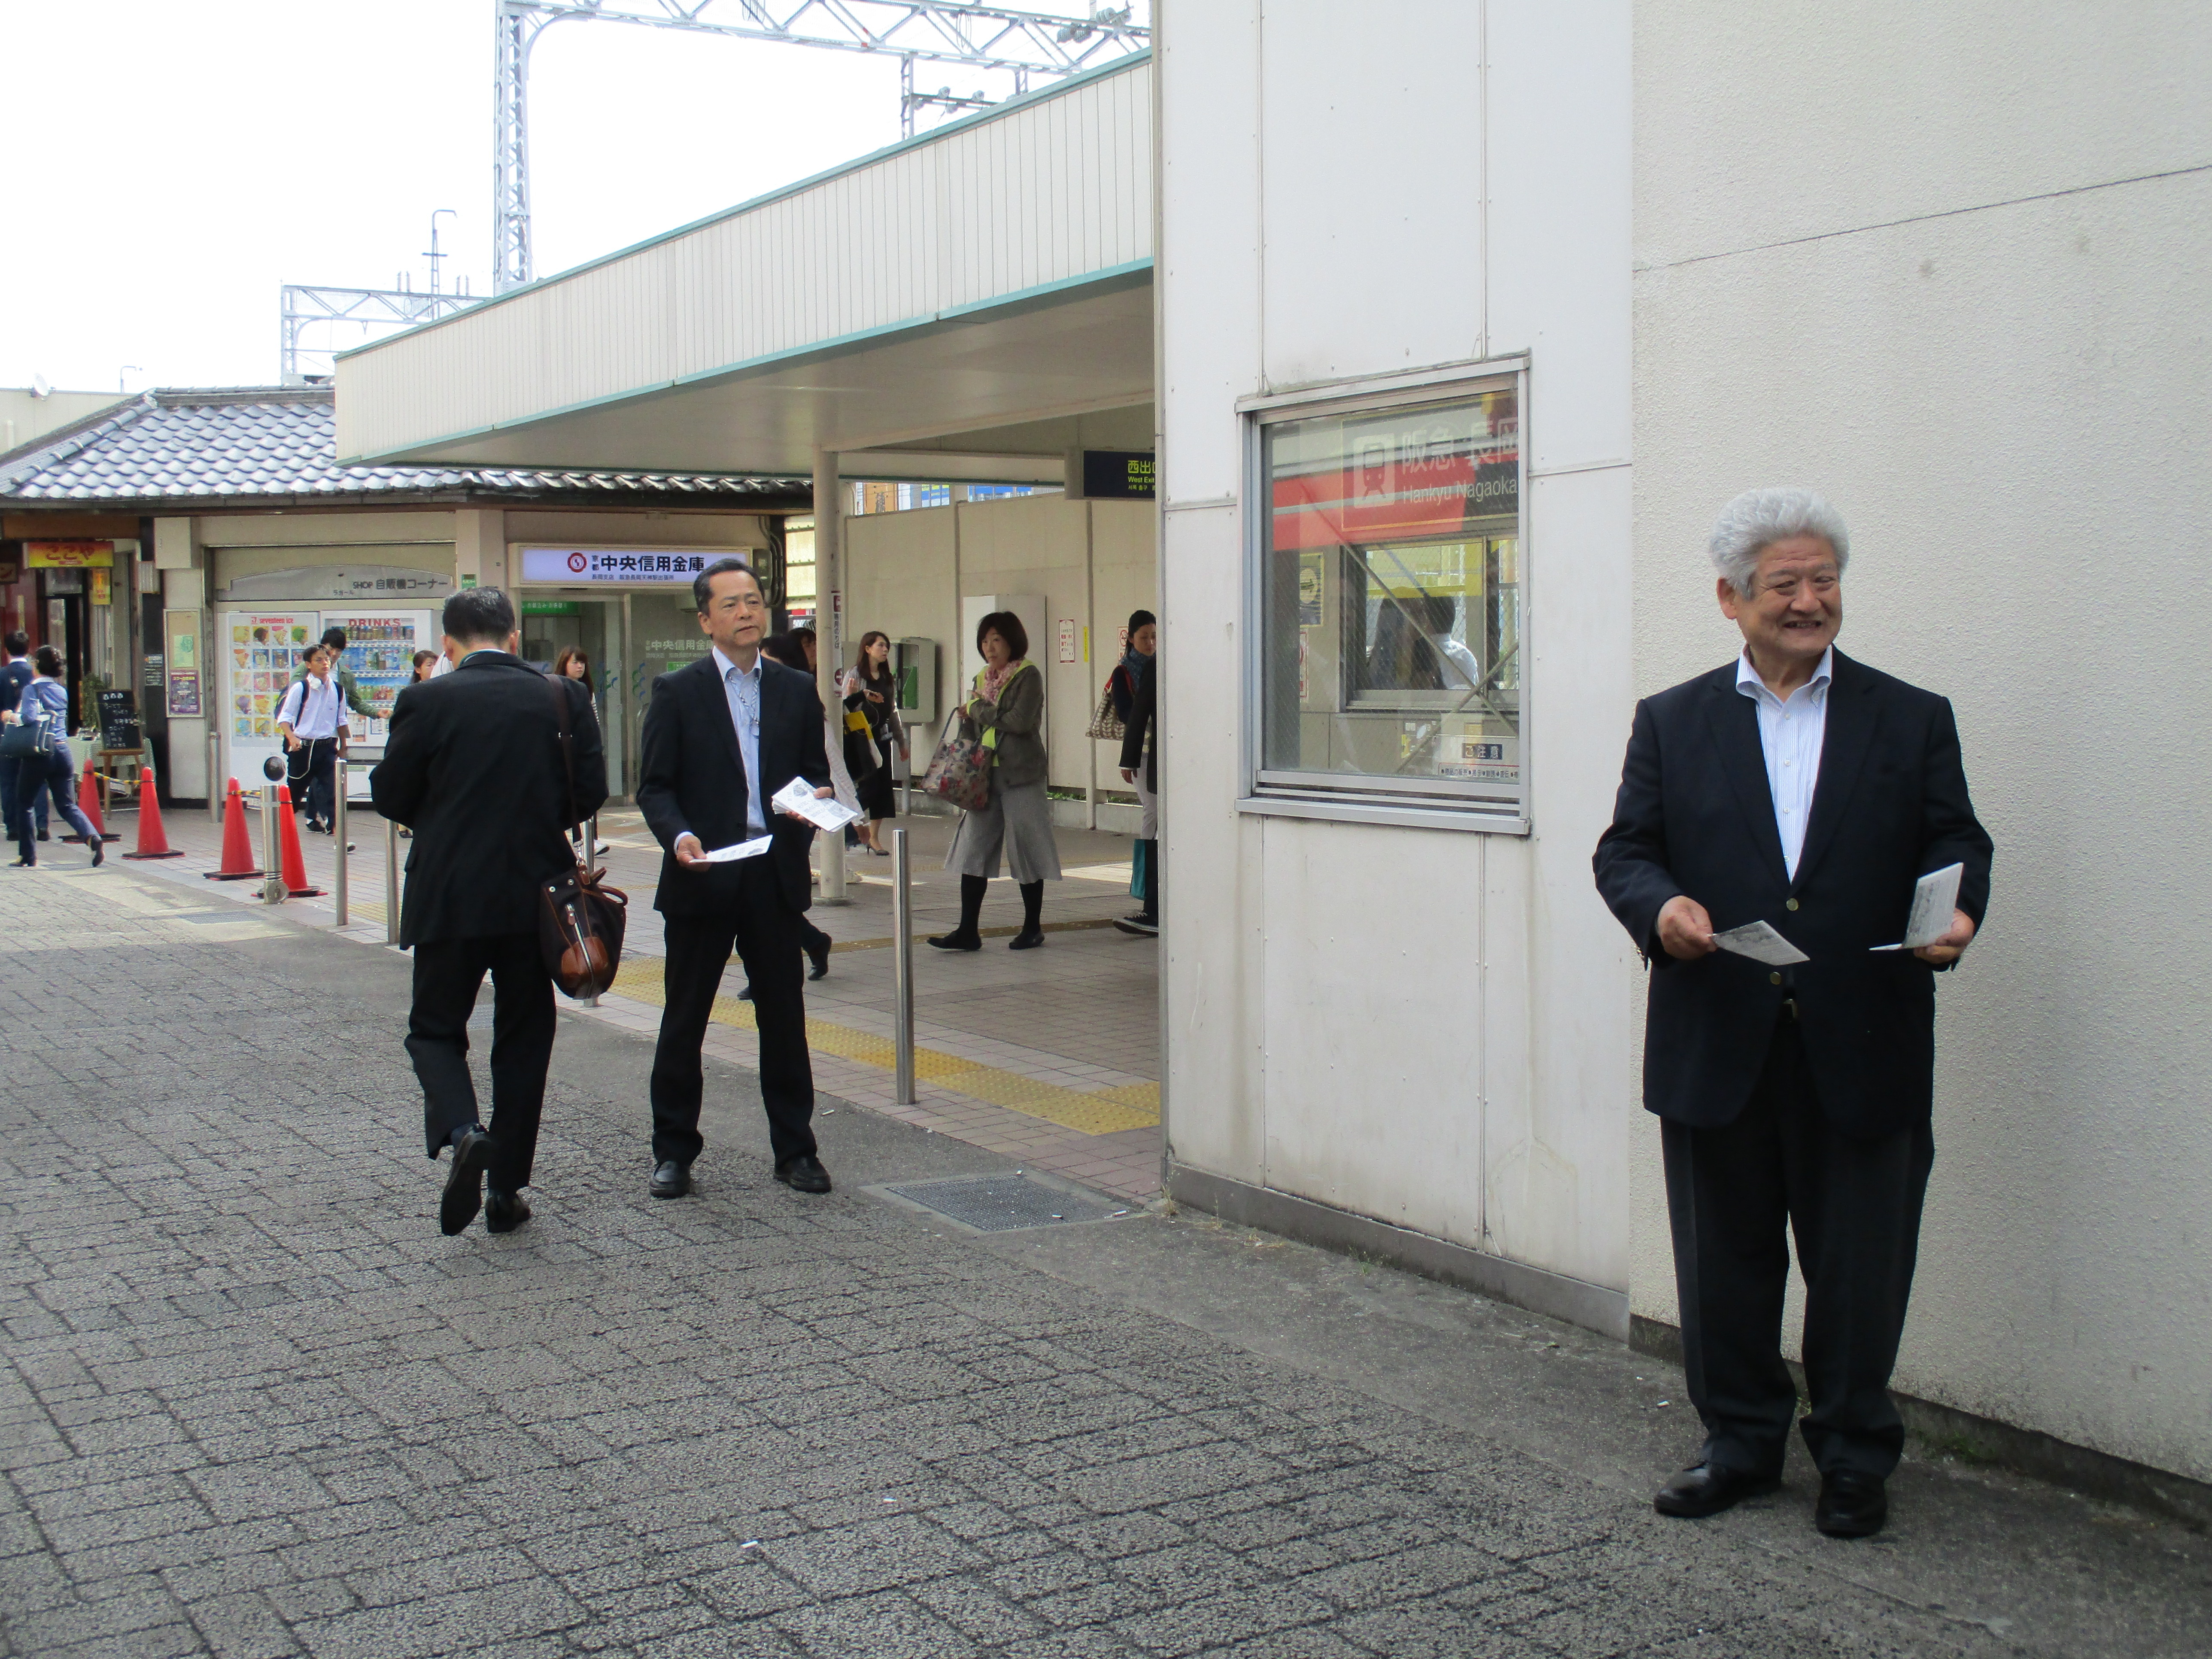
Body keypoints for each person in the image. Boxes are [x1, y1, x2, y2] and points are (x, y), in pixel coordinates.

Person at [1592, 488, 1993, 1541]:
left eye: (1826, 581)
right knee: (1723, 1263)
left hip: (1865, 1035)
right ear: (1731, 597)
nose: (1811, 601)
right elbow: (1625, 851)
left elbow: (1956, 846)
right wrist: (1661, 908)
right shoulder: (1672, 721)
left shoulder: (1910, 717)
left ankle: (1857, 1457)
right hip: (1718, 1032)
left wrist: (1955, 916)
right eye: (1787, 584)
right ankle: (1739, 1445)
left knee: (1862, 1268)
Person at [371, 587, 607, 1238]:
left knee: (435, 1028)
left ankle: (464, 1129)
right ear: (512, 634)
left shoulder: (427, 698)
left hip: (448, 890)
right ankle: (506, 1189)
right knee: (525, 1037)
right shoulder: (564, 695)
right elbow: (590, 792)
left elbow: (390, 793)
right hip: (540, 897)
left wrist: (445, 821)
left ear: (448, 644)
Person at [638, 559, 836, 1199]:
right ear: (706, 620)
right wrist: (679, 836)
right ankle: (673, 1151)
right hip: (703, 874)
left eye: (754, 600)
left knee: (783, 1018)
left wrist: (813, 807)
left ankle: (796, 1150)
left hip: (772, 876)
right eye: (731, 604)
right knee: (685, 1017)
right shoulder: (679, 691)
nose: (747, 612)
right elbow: (655, 787)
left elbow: (813, 771)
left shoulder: (795, 689)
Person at [928, 611, 1060, 952]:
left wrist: (977, 710)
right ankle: (967, 930)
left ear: (1012, 640)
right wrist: (968, 718)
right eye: (985, 640)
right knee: (974, 848)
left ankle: (1033, 928)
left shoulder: (1028, 675)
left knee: (1027, 849)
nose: (990, 647)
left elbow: (1019, 721)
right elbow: (975, 723)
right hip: (984, 776)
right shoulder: (981, 677)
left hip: (1021, 775)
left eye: (997, 639)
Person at [760, 630, 840, 984]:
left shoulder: (802, 701)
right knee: (764, 899)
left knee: (777, 898)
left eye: (771, 663)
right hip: (759, 819)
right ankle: (812, 942)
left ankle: (798, 950)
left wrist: (855, 815)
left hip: (793, 819)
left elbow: (829, 768)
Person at [2, 646, 103, 867]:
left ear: (37, 665)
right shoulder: (61, 691)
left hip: (40, 753)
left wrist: (11, 716)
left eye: (33, 661)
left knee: (25, 803)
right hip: (63, 751)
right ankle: (92, 837)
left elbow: (29, 718)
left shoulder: (32, 690)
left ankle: (28, 856)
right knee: (67, 804)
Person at [1109, 611, 1158, 936]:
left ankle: (1153, 898)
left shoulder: (1165, 665)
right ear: (1130, 638)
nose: (1151, 643)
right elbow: (1129, 714)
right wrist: (1128, 761)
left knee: (1157, 815)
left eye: (1155, 636)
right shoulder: (1125, 672)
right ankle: (1147, 891)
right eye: (1144, 637)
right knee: (1153, 813)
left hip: (1166, 752)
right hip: (1143, 754)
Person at [275, 642, 351, 834]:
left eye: (327, 659)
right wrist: (292, 738)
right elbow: (284, 718)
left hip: (326, 747)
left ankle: (335, 831)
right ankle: (283, 830)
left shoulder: (338, 690)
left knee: (332, 791)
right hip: (303, 748)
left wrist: (344, 745)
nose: (325, 663)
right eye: (319, 660)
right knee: (295, 792)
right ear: (308, 664)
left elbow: (341, 720)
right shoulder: (301, 688)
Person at [843, 630, 905, 856]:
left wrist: (902, 741)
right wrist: (851, 696)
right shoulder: (855, 675)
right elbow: (843, 705)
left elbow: (892, 710)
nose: (885, 650)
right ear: (867, 649)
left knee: (882, 789)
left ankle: (874, 838)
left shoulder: (887, 678)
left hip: (882, 737)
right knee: (867, 785)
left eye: (887, 646)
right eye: (881, 646)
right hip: (861, 737)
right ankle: (850, 827)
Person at [550, 647, 611, 858]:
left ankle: (586, 839)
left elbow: (592, 723)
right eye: (575, 662)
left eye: (583, 663)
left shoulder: (586, 690)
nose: (580, 667)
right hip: (562, 750)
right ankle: (577, 839)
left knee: (586, 792)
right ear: (564, 663)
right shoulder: (555, 687)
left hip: (581, 750)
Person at [0, 631, 50, 846]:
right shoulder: (36, 675)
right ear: (28, 649)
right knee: (38, 781)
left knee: (9, 782)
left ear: (6, 650)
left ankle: (13, 828)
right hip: (35, 736)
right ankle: (42, 825)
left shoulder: (2, 674)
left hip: (8, 737)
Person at [289, 626, 375, 721]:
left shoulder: (345, 674)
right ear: (323, 646)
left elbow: (354, 701)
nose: (334, 654)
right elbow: (292, 694)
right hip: (305, 728)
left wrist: (376, 713)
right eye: (331, 648)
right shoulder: (307, 667)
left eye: (339, 651)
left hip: (332, 729)